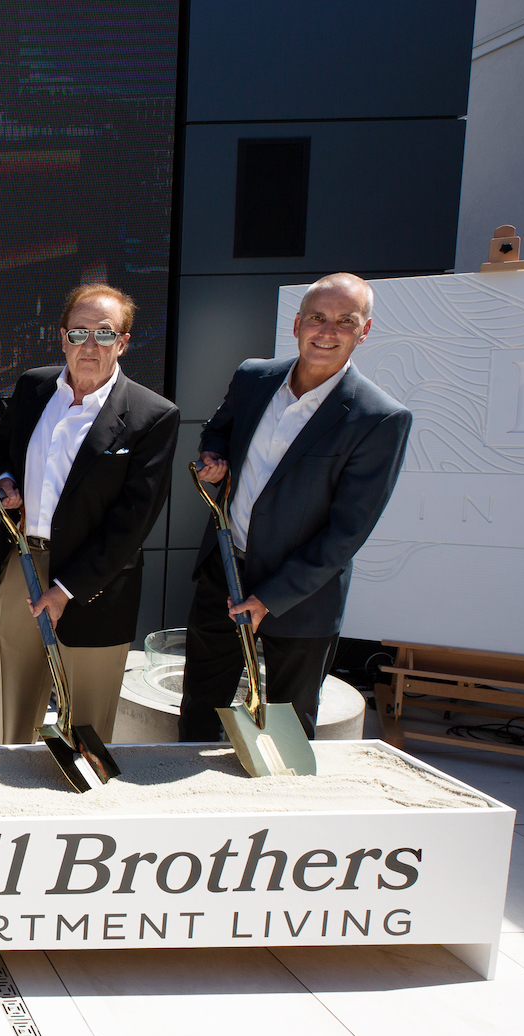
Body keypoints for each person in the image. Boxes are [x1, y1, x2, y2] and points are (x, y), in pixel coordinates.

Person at [179, 272, 412, 739]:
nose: (328, 332)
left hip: (300, 597)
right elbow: (219, 429)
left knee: (287, 731)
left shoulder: (380, 417)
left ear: (364, 331)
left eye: (345, 321)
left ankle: (274, 812)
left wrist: (270, 598)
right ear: (297, 324)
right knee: (201, 711)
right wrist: (214, 457)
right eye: (317, 318)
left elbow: (347, 532)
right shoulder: (253, 377)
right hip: (224, 573)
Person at [0, 284, 179, 744]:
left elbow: (134, 519)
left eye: (105, 334)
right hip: (22, 564)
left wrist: (68, 590)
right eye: (80, 332)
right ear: (62, 337)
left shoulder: (152, 415)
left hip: (96, 582)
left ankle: (82, 804)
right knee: (16, 706)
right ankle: (16, 798)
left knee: (86, 722)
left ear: (124, 343)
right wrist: (4, 481)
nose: (90, 345)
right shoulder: (34, 387)